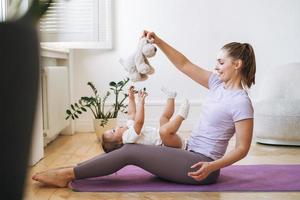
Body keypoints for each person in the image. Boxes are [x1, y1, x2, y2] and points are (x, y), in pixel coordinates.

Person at [32, 30, 255, 187]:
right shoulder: (217, 84)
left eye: (220, 62)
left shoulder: (241, 102)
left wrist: (211, 166)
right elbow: (184, 64)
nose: (216, 67)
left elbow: (242, 148)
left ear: (237, 65)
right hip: (187, 151)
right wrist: (158, 40)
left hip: (202, 166)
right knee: (132, 145)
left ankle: (68, 174)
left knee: (130, 150)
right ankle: (75, 169)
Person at [101, 85, 190, 153]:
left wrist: (131, 98)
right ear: (119, 142)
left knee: (163, 119)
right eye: (113, 131)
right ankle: (182, 115)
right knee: (163, 131)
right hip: (169, 145)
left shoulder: (128, 128)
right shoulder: (127, 138)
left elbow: (131, 113)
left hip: (168, 139)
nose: (115, 127)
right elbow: (139, 122)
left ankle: (171, 97)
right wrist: (140, 102)